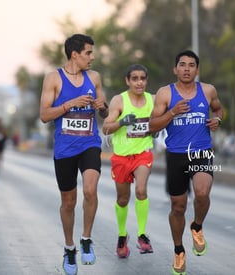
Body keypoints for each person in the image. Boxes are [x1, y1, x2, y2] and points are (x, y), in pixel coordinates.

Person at [149, 50, 223, 275]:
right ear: (175, 69)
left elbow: (218, 108)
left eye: (192, 65)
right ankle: (179, 250)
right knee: (178, 206)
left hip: (200, 152)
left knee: (202, 193)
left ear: (197, 70)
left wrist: (217, 119)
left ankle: (197, 226)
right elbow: (152, 126)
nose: (187, 69)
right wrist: (172, 112)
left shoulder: (208, 90)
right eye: (182, 64)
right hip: (176, 155)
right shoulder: (165, 93)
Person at [39, 34, 108, 275]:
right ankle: (69, 248)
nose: (93, 57)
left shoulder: (95, 77)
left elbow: (104, 112)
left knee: (90, 190)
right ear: (74, 54)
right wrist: (70, 103)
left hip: (89, 142)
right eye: (89, 52)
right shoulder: (53, 78)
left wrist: (102, 107)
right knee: (68, 203)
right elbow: (45, 115)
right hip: (65, 148)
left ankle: (86, 239)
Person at [102, 64, 154, 258]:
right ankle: (122, 235)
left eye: (142, 78)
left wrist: (155, 128)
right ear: (128, 81)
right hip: (122, 156)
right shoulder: (119, 100)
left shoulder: (152, 100)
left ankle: (142, 234)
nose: (139, 82)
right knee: (123, 199)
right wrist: (123, 122)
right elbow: (106, 129)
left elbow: (163, 119)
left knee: (141, 190)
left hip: (142, 154)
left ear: (146, 80)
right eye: (135, 78)